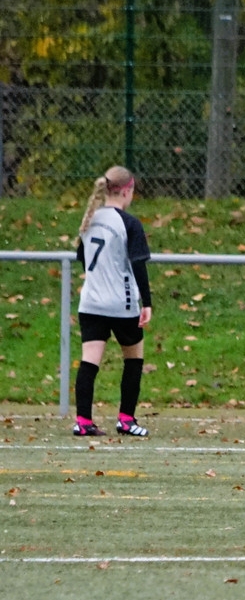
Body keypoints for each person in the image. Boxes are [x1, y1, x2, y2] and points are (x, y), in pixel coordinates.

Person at [72, 166, 153, 437]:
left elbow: (83, 258)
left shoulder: (90, 218)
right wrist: (147, 303)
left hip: (91, 303)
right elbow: (138, 265)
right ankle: (126, 419)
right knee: (134, 359)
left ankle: (83, 421)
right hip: (121, 303)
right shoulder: (128, 223)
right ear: (127, 190)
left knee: (89, 361)